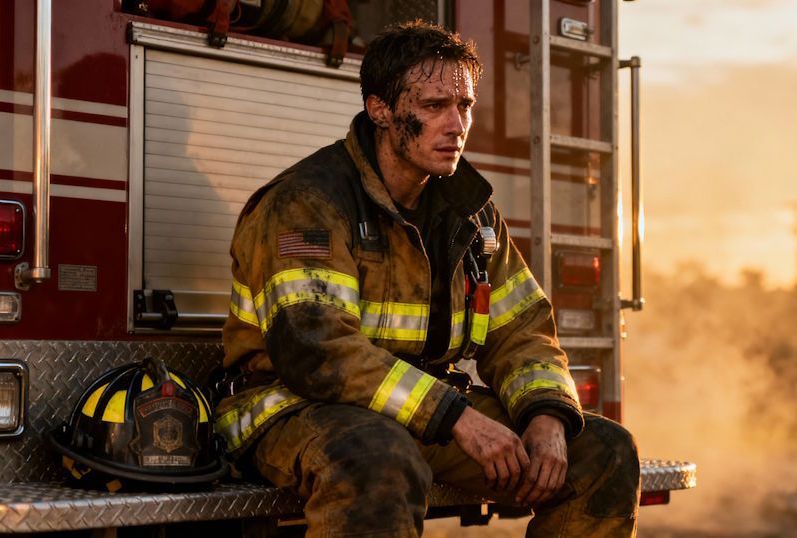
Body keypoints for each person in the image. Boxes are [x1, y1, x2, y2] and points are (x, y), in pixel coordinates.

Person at [215, 20, 640, 538]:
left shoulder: (471, 212)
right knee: (379, 460)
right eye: (435, 106)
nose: (457, 125)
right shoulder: (307, 204)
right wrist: (457, 417)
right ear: (381, 110)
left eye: (465, 106)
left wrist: (547, 415)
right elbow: (317, 351)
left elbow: (523, 330)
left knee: (605, 453)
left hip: (423, 416)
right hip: (292, 409)